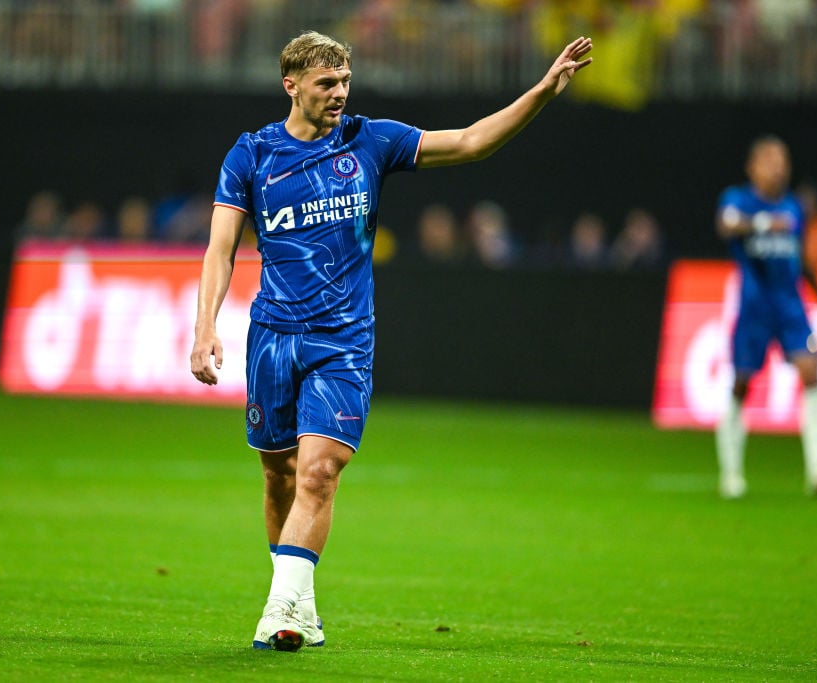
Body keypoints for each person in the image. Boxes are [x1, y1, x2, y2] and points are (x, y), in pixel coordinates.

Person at [189, 30, 593, 651]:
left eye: (346, 82)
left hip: (344, 341)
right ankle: (304, 602)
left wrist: (540, 92)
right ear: (291, 85)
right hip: (273, 336)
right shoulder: (251, 155)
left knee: (321, 472)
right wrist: (205, 327)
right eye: (327, 84)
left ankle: (277, 612)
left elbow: (470, 141)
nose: (340, 94)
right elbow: (221, 248)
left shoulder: (368, 140)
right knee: (279, 476)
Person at [715, 135, 817, 499]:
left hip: (790, 304)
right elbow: (727, 226)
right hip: (754, 305)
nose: (778, 166)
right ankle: (731, 473)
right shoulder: (738, 200)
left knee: (810, 371)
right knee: (742, 384)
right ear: (752, 167)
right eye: (769, 159)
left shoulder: (795, 207)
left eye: (782, 159)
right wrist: (764, 224)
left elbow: (799, 258)